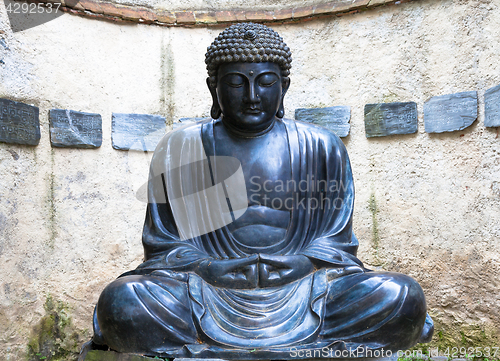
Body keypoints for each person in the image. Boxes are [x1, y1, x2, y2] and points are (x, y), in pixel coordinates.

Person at [92, 23, 433, 358]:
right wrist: (207, 267)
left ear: (283, 87)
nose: (253, 97)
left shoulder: (321, 146)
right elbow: (163, 243)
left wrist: (303, 262)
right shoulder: (180, 148)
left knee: (401, 295)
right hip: (207, 290)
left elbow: (337, 241)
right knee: (124, 301)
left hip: (305, 289)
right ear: (214, 89)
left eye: (266, 82)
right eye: (237, 84)